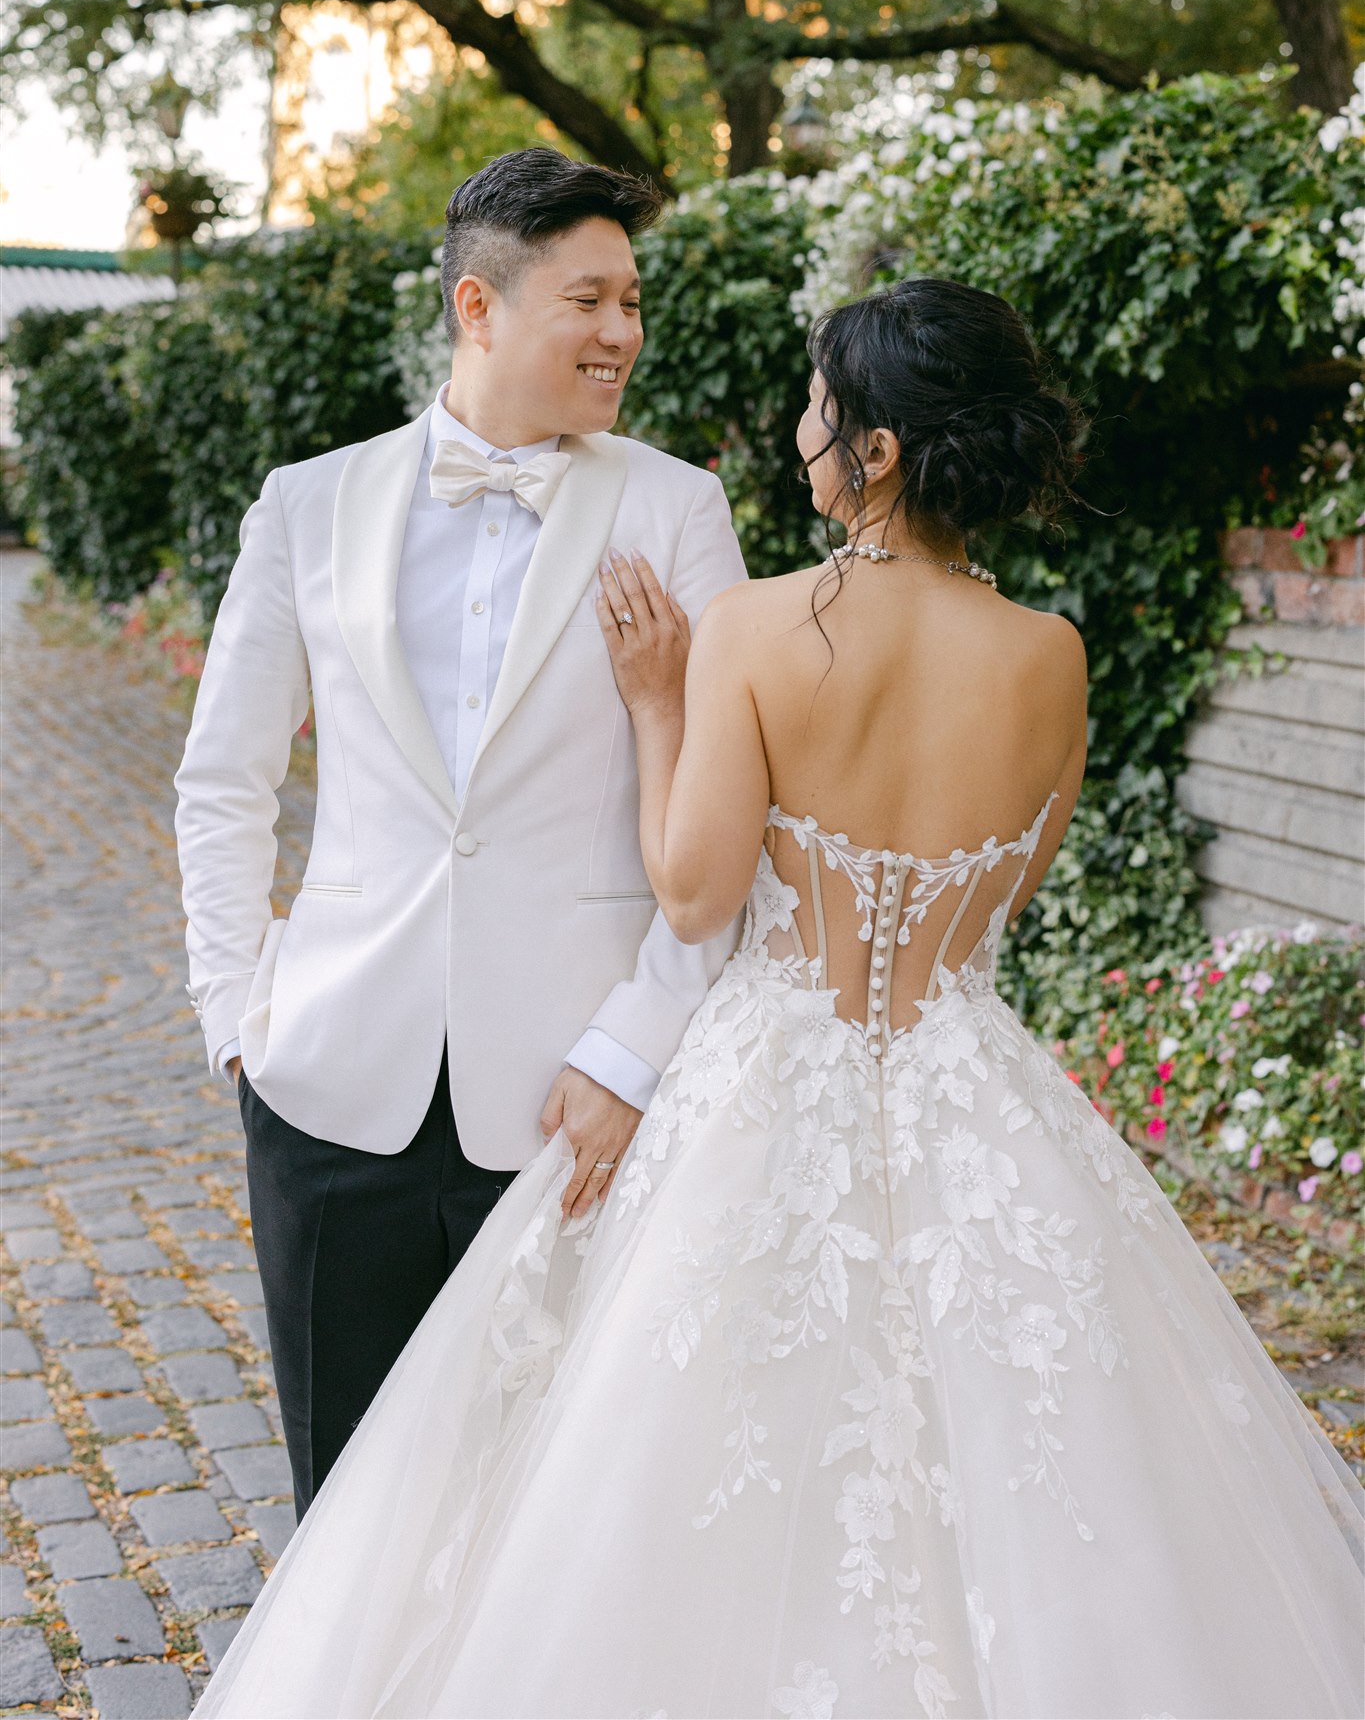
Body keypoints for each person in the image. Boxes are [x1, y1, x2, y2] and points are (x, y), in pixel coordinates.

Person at [194, 277, 1364, 1720]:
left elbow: (692, 896)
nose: (801, 431)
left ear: (870, 448)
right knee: (1037, 1453)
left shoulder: (750, 629)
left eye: (818, 407)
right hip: (963, 1075)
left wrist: (655, 704)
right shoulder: (1051, 656)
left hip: (767, 1075)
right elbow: (1002, 893)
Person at [173, 147, 748, 1519]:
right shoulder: (306, 504)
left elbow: (733, 815)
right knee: (343, 1506)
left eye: (632, 302)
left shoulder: (677, 508)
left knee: (549, 1517)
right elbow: (223, 780)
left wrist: (628, 1056)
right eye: (590, 299)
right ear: (478, 308)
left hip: (574, 1100)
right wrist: (237, 1014)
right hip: (324, 1087)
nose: (624, 332)